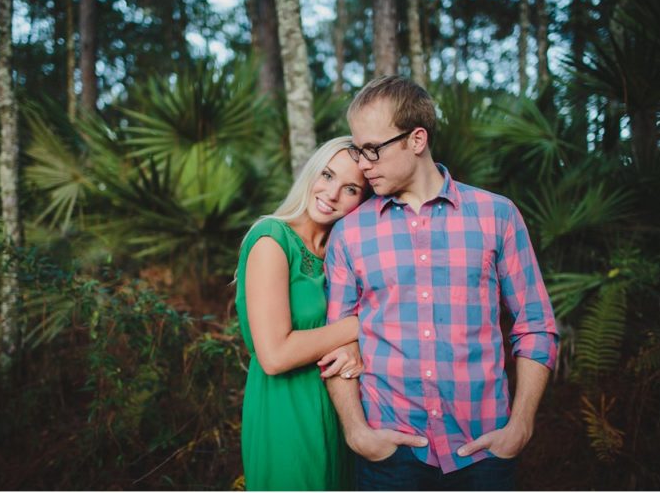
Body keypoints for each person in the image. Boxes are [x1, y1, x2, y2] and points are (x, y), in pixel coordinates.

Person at [323, 76, 559, 491]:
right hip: (389, 456)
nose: (362, 164)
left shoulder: (497, 215)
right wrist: (357, 431)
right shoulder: (350, 232)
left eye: (372, 150)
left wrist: (520, 425)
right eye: (359, 151)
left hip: (484, 451)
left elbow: (535, 326)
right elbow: (338, 343)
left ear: (417, 139)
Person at [236, 136, 405, 491]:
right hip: (286, 412)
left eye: (350, 189)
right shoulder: (271, 240)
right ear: (311, 173)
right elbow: (275, 355)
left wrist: (354, 347)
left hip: (341, 410)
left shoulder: (341, 253)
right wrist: (361, 325)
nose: (331, 194)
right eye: (327, 176)